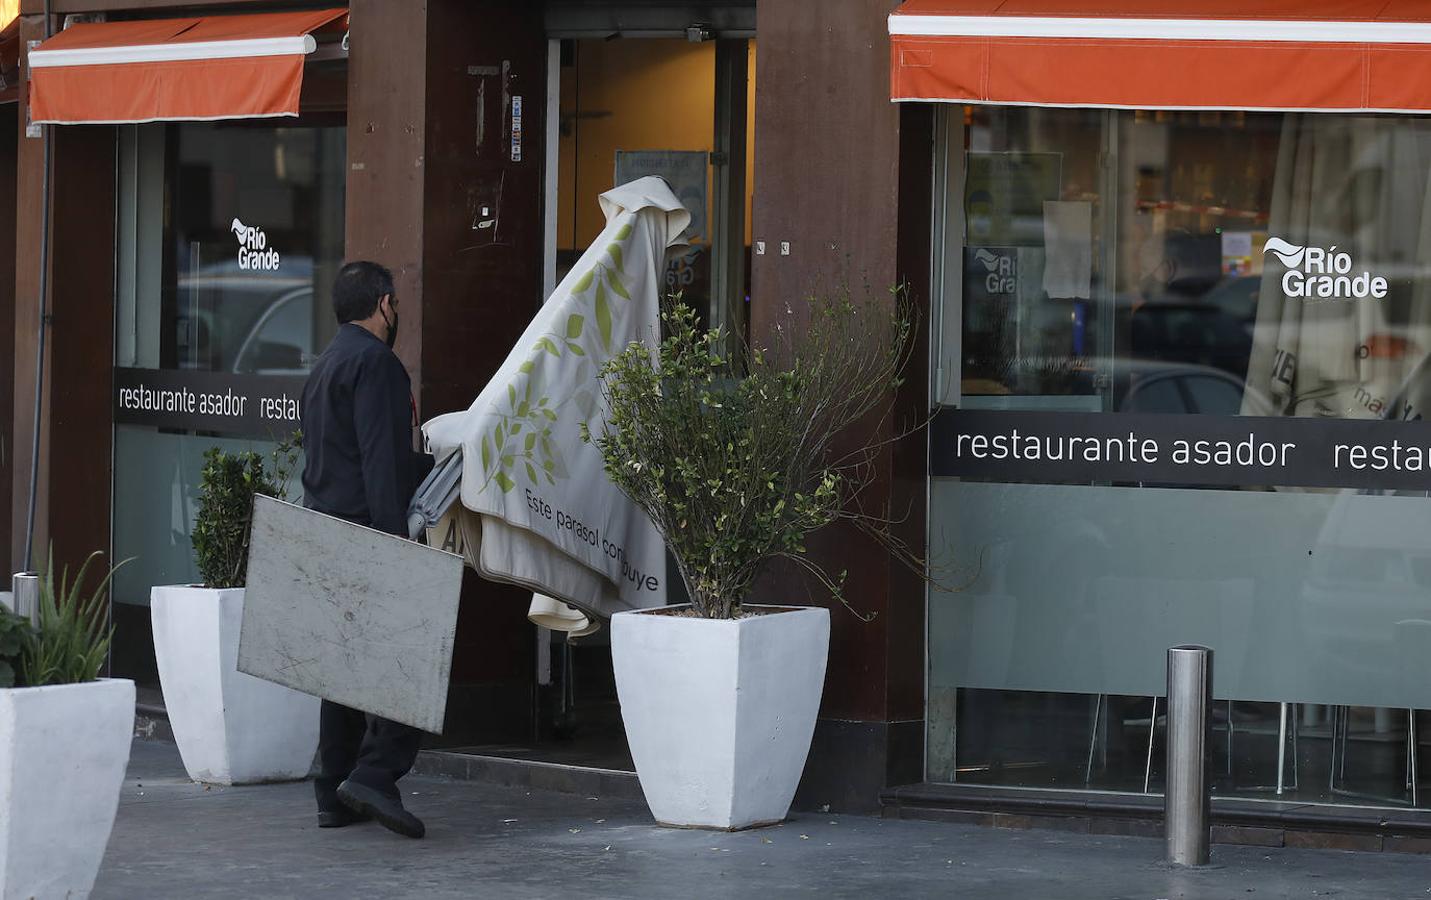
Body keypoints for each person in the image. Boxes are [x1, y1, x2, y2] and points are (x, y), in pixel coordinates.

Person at [301, 260, 434, 838]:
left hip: (325, 529)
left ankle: (333, 792)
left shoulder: (326, 364)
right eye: (396, 303)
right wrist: (395, 546)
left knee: (342, 669)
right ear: (383, 304)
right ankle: (376, 774)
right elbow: (380, 462)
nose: (398, 312)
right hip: (365, 532)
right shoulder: (377, 365)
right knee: (413, 655)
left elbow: (340, 455)